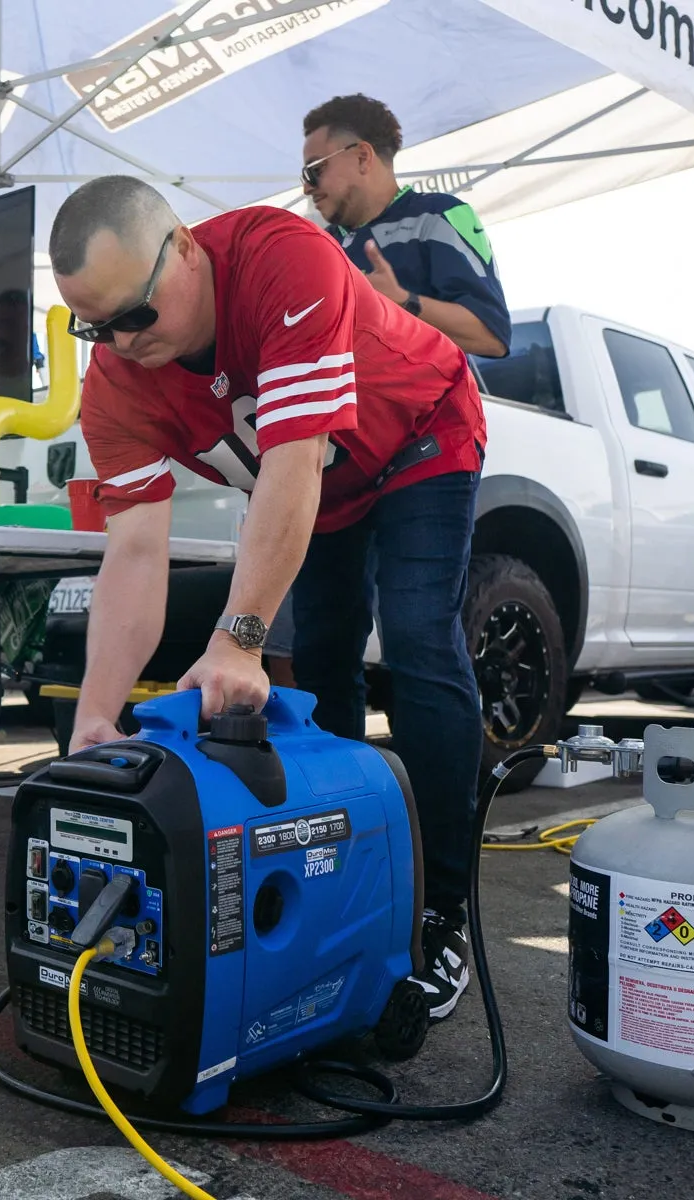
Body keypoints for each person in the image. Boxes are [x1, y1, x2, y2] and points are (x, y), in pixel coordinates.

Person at [53, 176, 486, 1021]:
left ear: (183, 246)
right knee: (322, 659)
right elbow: (135, 553)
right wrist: (94, 718)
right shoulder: (112, 384)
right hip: (326, 483)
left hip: (420, 433)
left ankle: (442, 912)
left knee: (416, 639)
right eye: (93, 326)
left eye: (134, 316)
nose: (119, 343)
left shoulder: (280, 257)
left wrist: (237, 637)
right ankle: (353, 862)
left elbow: (293, 463)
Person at [300, 94, 511, 359]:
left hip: (425, 400)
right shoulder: (320, 247)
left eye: (314, 170)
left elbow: (491, 336)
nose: (306, 187)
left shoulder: (438, 215)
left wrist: (401, 300)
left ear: (363, 157)